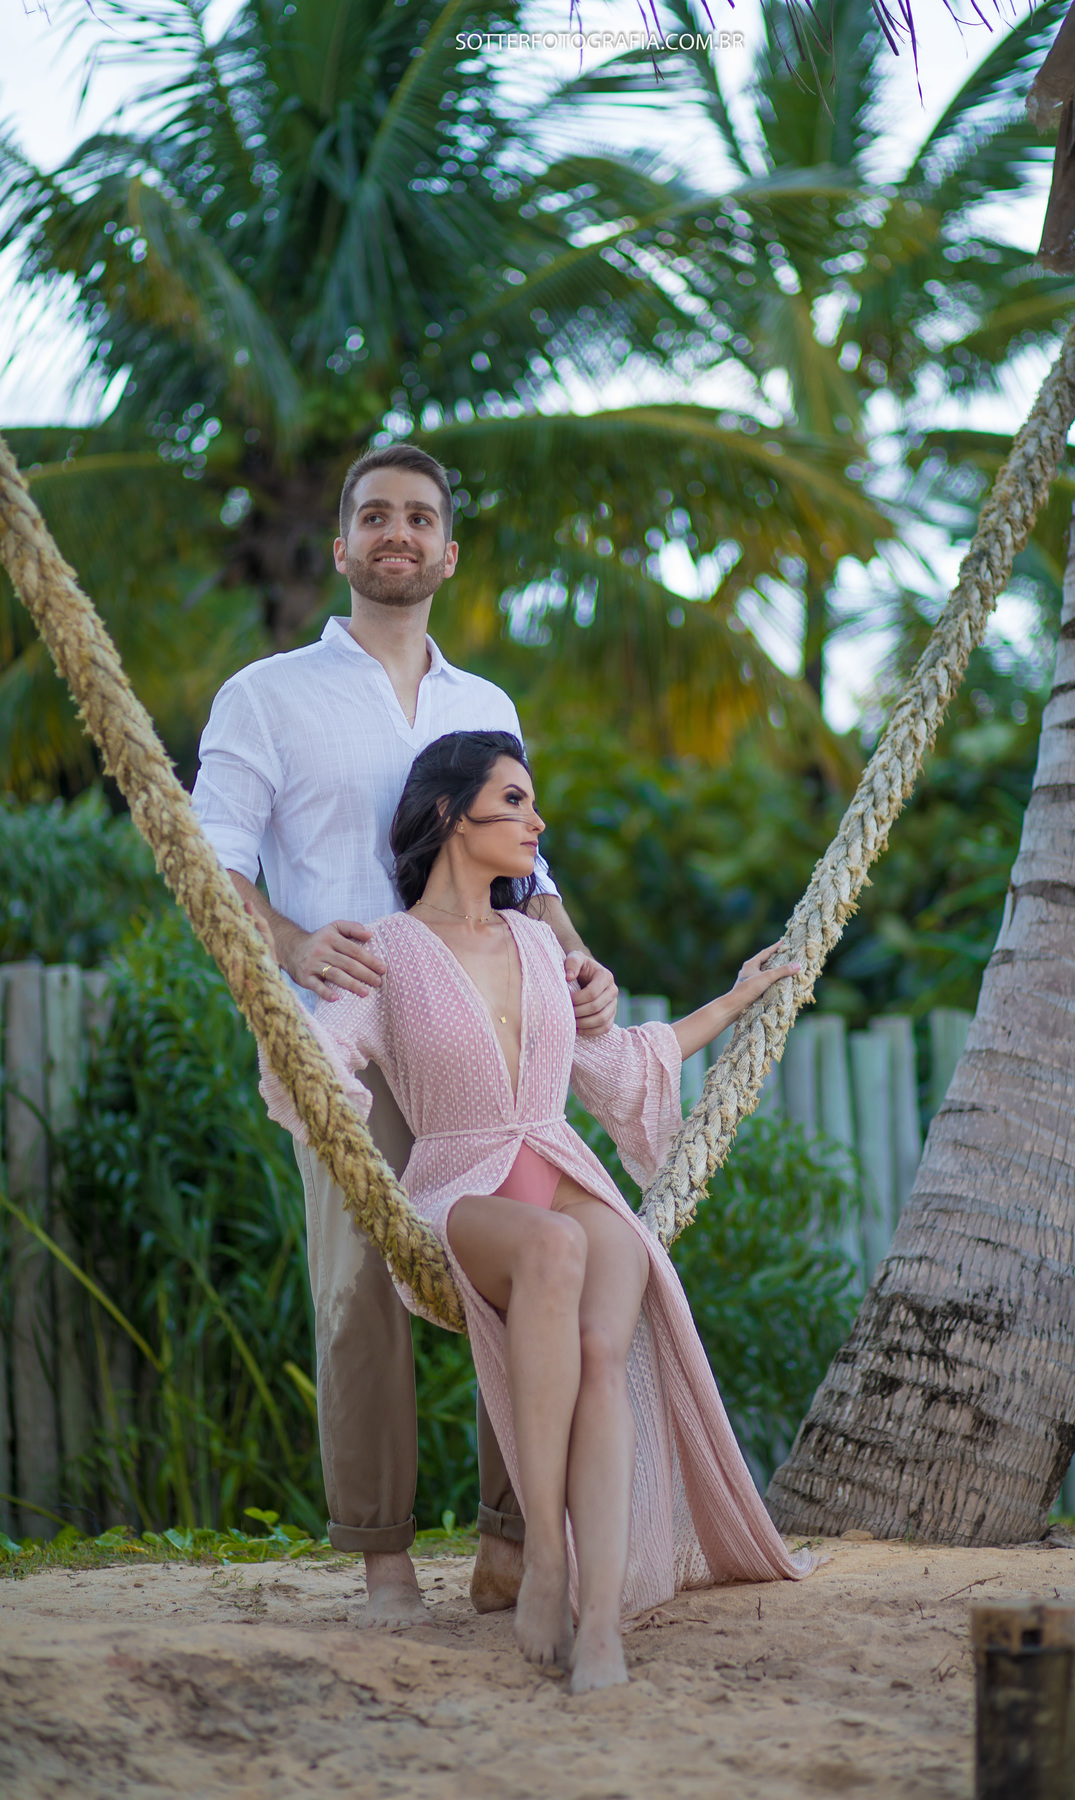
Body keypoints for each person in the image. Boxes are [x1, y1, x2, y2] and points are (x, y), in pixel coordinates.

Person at [260, 730, 820, 1694]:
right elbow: (316, 1062)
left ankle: (599, 1619)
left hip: (559, 1164)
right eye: (515, 801)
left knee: (614, 1299)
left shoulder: (535, 941)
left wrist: (731, 1006)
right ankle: (545, 1560)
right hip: (457, 1191)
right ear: (448, 815)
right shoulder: (386, 949)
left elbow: (610, 1065)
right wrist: (329, 1104)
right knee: (557, 1249)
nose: (536, 821)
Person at [191, 443, 618, 1627]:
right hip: (350, 1034)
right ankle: (383, 1562)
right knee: (362, 1289)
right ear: (342, 548)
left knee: (532, 1270)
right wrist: (287, 942)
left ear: (448, 551)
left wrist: (575, 958)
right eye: (374, 516)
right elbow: (208, 862)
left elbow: (529, 861)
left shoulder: (487, 707)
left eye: (419, 518)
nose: (397, 533)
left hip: (489, 1028)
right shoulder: (266, 695)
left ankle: (512, 1541)